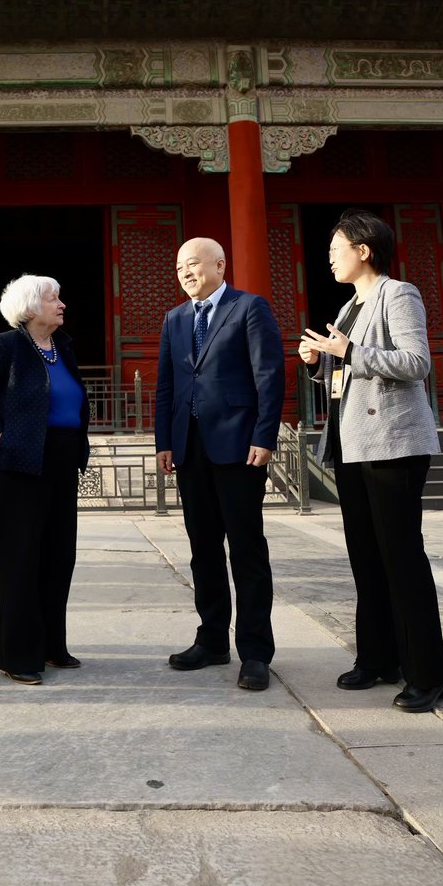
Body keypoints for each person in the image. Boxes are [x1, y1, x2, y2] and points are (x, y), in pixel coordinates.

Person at [299, 208, 443, 713]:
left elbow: (416, 363)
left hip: (392, 445)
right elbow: (345, 372)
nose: (329, 259)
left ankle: (429, 675)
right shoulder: (348, 307)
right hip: (350, 442)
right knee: (366, 557)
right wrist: (321, 361)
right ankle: (378, 657)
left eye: (335, 249)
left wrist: (351, 351)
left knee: (401, 558)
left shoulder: (398, 293)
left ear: (364, 251)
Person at [155, 237, 285, 692]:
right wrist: (164, 443)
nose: (185, 273)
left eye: (192, 264)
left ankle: (254, 652)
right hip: (190, 450)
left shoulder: (249, 308)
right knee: (203, 550)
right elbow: (166, 385)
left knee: (246, 551)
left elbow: (268, 375)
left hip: (238, 449)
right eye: (179, 268)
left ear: (219, 264)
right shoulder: (174, 319)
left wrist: (264, 436)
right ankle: (211, 640)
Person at [0, 275, 90, 686]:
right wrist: (1, 437)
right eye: (54, 298)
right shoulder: (5, 347)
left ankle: (52, 645)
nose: (61, 304)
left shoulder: (62, 347)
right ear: (30, 307)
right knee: (21, 559)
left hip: (62, 462)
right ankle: (18, 655)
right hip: (15, 467)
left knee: (58, 554)